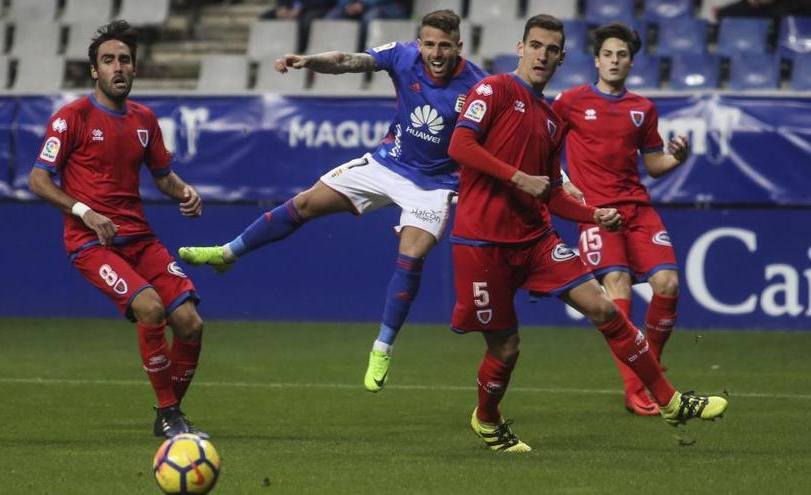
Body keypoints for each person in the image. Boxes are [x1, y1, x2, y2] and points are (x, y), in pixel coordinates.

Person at [446, 14, 728, 453]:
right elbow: (460, 146)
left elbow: (553, 190)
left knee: (605, 309)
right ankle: (488, 420)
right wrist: (520, 178)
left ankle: (669, 401)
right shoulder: (494, 89)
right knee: (506, 349)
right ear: (521, 49)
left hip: (536, 239)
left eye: (551, 49)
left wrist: (592, 214)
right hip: (482, 241)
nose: (542, 55)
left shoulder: (550, 119)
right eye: (535, 46)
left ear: (561, 57)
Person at [180, 9, 486, 393]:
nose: (436, 53)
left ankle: (382, 346)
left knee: (411, 256)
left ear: (459, 45)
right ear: (419, 42)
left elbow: (512, 133)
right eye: (429, 44)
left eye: (445, 46)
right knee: (305, 203)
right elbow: (346, 60)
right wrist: (307, 61)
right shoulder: (403, 56)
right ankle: (227, 253)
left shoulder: (480, 86)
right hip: (387, 163)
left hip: (436, 185)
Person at [28, 20, 208, 439]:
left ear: (134, 67)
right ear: (95, 71)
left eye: (124, 60)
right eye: (108, 60)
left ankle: (170, 415)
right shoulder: (71, 118)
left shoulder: (145, 119)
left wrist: (184, 191)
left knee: (190, 323)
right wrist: (83, 211)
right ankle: (169, 414)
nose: (118, 67)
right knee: (150, 308)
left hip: (139, 239)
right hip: (93, 242)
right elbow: (38, 179)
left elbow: (163, 176)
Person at [550, 23, 690, 416]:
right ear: (596, 60)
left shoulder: (642, 108)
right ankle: (637, 391)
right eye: (608, 54)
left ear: (631, 61)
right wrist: (564, 184)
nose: (614, 61)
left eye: (622, 55)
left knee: (668, 284)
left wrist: (677, 157)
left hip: (637, 209)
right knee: (617, 283)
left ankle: (649, 372)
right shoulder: (570, 101)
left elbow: (654, 164)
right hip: (597, 212)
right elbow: (543, 145)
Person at [261, 1, 336, 53]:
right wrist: (281, 8)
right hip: (295, 7)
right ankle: (266, 49)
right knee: (266, 16)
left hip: (317, 7)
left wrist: (297, 9)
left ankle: (301, 50)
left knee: (305, 21)